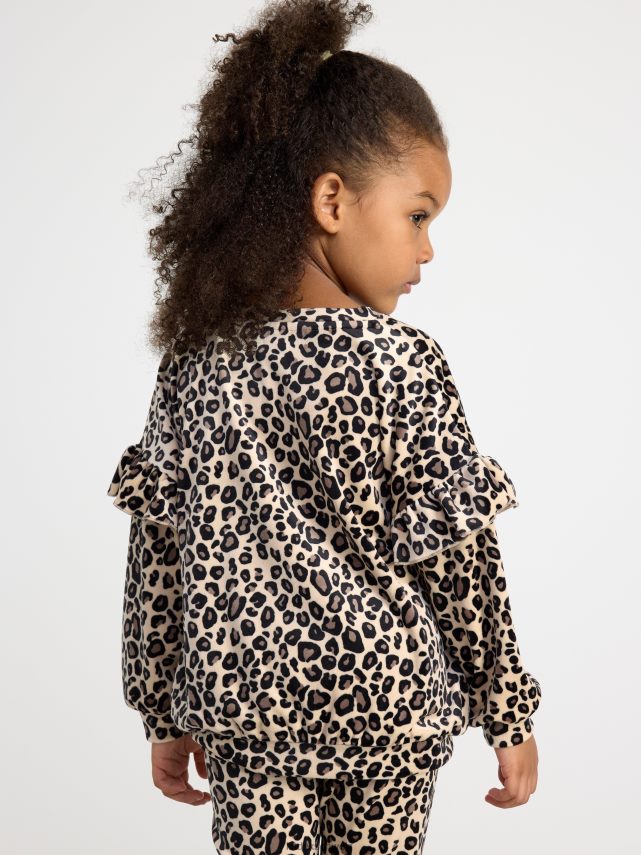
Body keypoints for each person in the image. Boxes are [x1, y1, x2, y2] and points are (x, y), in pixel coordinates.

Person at [107, 1, 541, 851]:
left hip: (248, 716)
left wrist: (161, 707)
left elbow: (158, 556)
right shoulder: (403, 364)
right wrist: (507, 707)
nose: (427, 250)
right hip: (388, 713)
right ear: (332, 200)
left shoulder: (195, 364)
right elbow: (459, 560)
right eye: (417, 215)